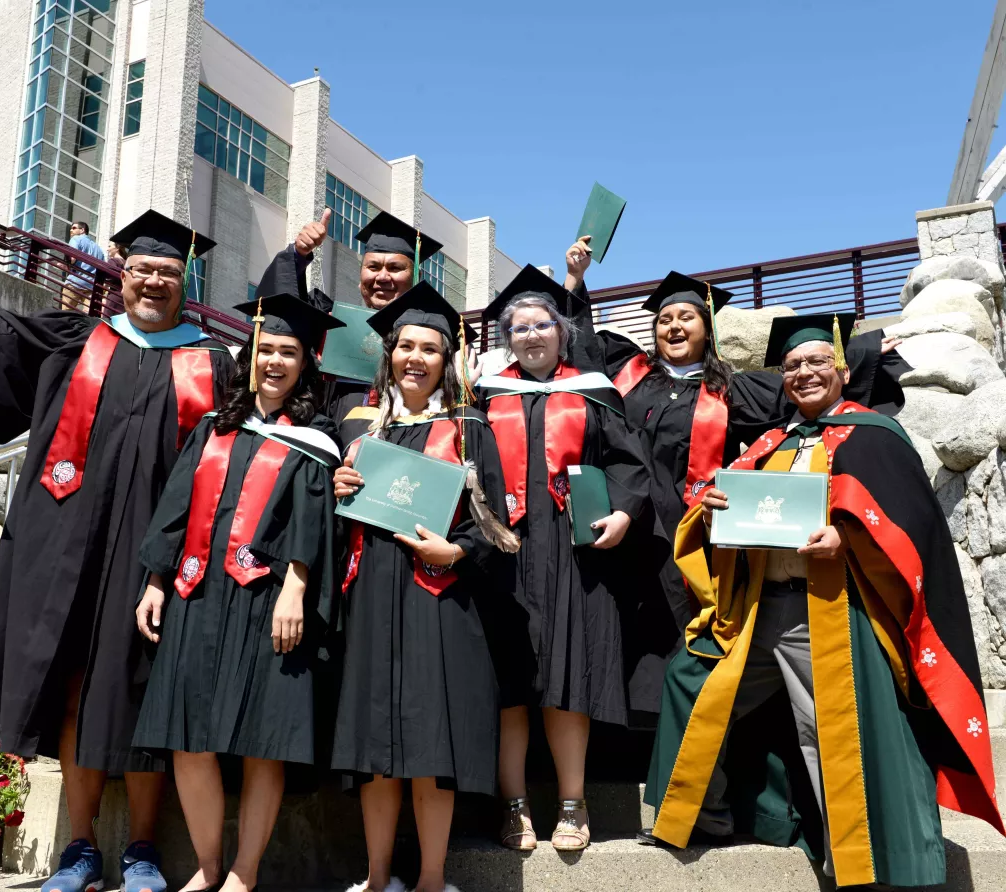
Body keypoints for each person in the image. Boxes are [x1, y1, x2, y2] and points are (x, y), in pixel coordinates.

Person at [0, 198, 235, 892]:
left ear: (186, 285)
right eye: (141, 270)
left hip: (163, 562)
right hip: (69, 550)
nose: (153, 283)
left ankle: (143, 849)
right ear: (120, 274)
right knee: (79, 691)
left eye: (168, 273)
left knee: (151, 695)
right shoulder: (78, 340)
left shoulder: (211, 365)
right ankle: (80, 848)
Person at [642, 313, 1003, 888]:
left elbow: (912, 522)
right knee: (694, 676)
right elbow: (728, 504)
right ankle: (699, 812)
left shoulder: (876, 434)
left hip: (831, 610)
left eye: (815, 363)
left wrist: (849, 534)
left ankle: (854, 860)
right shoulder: (769, 441)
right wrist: (711, 510)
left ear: (840, 369)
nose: (804, 374)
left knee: (826, 732)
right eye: (791, 367)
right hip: (760, 609)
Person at [561, 264, 908, 719]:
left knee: (677, 636)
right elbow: (580, 348)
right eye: (665, 319)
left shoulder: (731, 390)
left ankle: (675, 734)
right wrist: (574, 284)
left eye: (687, 317)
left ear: (708, 330)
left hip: (688, 536)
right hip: (624, 527)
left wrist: (862, 351)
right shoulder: (628, 372)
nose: (675, 326)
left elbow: (806, 391)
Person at [133, 293, 344, 892]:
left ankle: (244, 875)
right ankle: (207, 866)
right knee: (188, 739)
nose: (274, 362)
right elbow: (175, 510)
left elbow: (313, 522)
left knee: (262, 743)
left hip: (266, 600)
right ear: (249, 355)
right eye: (266, 350)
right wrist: (155, 581)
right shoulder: (212, 428)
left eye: (288, 353)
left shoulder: (314, 442)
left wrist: (296, 590)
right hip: (197, 594)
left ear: (306, 364)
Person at [331, 283, 514, 892]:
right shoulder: (363, 434)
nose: (415, 357)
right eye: (404, 345)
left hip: (441, 600)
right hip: (373, 598)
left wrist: (457, 548)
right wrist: (338, 491)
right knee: (375, 750)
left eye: (429, 349)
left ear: (446, 361)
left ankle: (433, 881)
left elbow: (500, 525)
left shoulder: (467, 428)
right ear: (388, 356)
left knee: (432, 751)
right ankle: (378, 878)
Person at [472, 265, 661, 853]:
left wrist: (625, 512)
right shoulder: (484, 397)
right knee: (509, 683)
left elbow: (630, 466)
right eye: (519, 327)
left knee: (566, 676)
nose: (531, 335)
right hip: (499, 551)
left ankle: (573, 804)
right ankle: (515, 804)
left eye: (541, 325)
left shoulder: (592, 391)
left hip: (572, 555)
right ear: (507, 337)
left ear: (561, 331)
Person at [254, 209, 446, 418]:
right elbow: (280, 312)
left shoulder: (436, 339)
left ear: (416, 276)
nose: (382, 277)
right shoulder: (329, 325)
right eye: (373, 267)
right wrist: (298, 255)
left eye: (394, 268)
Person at [63, 221, 108, 311]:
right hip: (91, 286)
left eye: (74, 228)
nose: (71, 230)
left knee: (66, 314)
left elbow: (72, 258)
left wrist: (66, 263)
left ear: (82, 230)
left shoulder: (75, 239)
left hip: (75, 282)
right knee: (89, 317)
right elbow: (103, 268)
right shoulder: (98, 248)